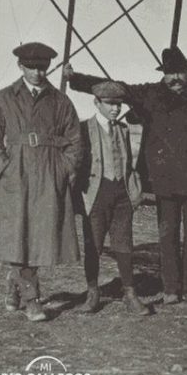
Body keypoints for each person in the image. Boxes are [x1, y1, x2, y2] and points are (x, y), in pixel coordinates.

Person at [65, 46, 187, 304]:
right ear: (163, 74)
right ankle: (170, 289)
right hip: (164, 179)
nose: (175, 78)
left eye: (180, 72)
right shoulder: (151, 94)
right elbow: (117, 88)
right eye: (169, 73)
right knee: (167, 235)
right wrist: (76, 80)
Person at [0, 42, 81, 322]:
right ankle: (32, 300)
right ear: (20, 66)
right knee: (17, 236)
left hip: (48, 177)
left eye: (42, 67)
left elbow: (75, 142)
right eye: (31, 67)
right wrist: (5, 168)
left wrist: (63, 170)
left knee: (36, 239)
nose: (37, 72)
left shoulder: (60, 101)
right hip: (15, 177)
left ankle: (14, 287)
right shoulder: (4, 98)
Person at [76, 81, 149, 315]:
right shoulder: (84, 128)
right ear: (97, 103)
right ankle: (93, 293)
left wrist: (134, 191)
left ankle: (130, 294)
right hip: (96, 194)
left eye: (119, 104)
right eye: (110, 104)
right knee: (93, 245)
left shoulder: (124, 129)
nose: (116, 109)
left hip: (121, 195)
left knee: (124, 244)